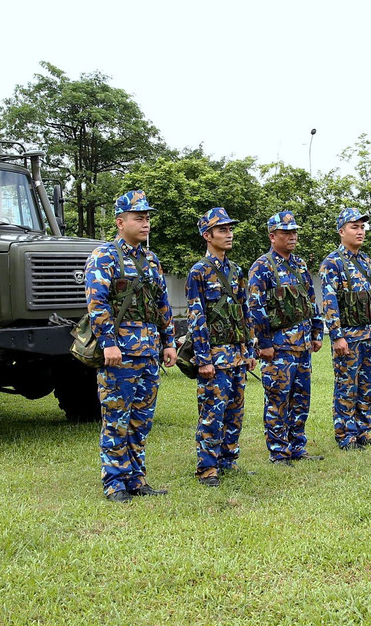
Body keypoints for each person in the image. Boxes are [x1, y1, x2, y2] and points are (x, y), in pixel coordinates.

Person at [84, 190, 176, 503]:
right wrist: (108, 343)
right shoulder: (104, 256)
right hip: (119, 354)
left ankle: (137, 479)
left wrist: (169, 342)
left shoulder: (151, 260)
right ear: (120, 222)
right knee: (116, 419)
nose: (145, 223)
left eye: (147, 218)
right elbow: (97, 303)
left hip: (149, 352)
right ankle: (114, 484)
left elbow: (162, 305)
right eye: (139, 218)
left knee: (141, 420)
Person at [246, 211, 325, 465]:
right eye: (285, 233)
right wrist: (264, 343)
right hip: (278, 348)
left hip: (302, 346)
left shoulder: (300, 264)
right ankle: (279, 452)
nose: (292, 237)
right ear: (272, 236)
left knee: (301, 399)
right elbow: (255, 307)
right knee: (278, 400)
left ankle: (297, 447)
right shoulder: (262, 267)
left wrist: (316, 332)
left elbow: (311, 301)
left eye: (294, 232)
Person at [185, 208, 257, 486]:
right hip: (214, 357)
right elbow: (196, 315)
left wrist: (248, 350)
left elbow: (243, 312)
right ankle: (207, 468)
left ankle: (228, 461)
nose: (229, 234)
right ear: (208, 235)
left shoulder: (236, 270)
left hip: (237, 355)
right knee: (212, 413)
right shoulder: (199, 272)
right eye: (222, 230)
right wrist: (203, 358)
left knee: (235, 413)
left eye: (230, 229)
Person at [322, 207, 371, 450]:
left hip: (370, 335)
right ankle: (346, 436)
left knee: (367, 386)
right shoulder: (332, 263)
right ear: (342, 231)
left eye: (362, 227)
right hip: (348, 338)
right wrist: (337, 336)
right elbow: (330, 302)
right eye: (354, 227)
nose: (360, 231)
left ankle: (364, 432)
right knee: (346, 387)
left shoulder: (366, 261)